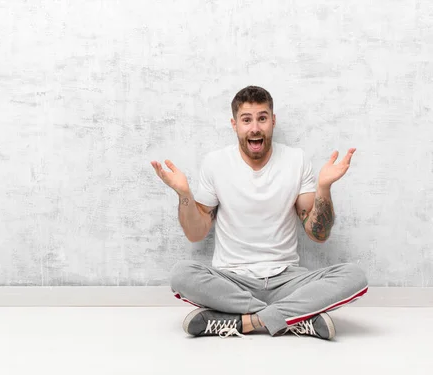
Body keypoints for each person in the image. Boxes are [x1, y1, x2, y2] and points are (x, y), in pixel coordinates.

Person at [150, 86, 368, 340]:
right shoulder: (215, 163)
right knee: (181, 274)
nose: (255, 128)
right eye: (247, 120)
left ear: (273, 121)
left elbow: (317, 234)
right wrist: (184, 195)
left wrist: (324, 187)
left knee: (355, 276)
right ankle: (294, 319)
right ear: (234, 124)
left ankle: (244, 322)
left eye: (262, 118)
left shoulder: (296, 160)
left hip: (286, 281)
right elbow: (196, 234)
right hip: (232, 281)